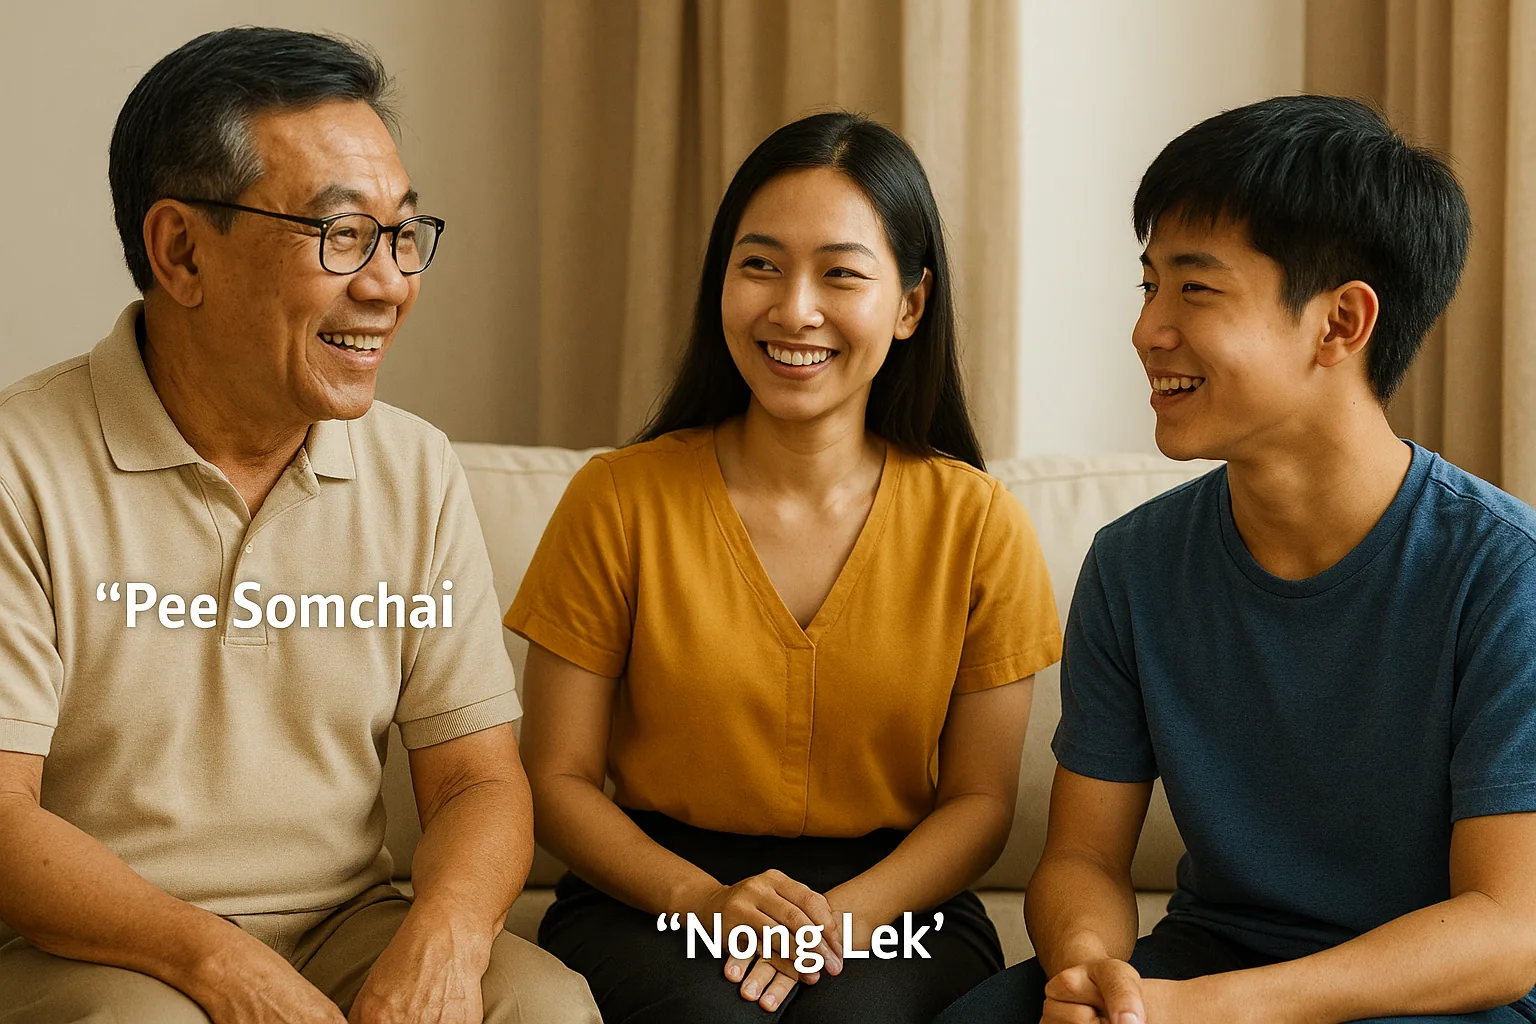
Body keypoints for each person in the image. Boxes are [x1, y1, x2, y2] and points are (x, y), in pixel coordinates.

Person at [0, 27, 597, 1024]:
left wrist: (444, 938)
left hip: (345, 926)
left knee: (545, 1005)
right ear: (181, 250)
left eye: (401, 234)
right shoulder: (22, 465)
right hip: (94, 948)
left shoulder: (415, 468)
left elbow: (476, 784)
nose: (390, 283)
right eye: (340, 234)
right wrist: (220, 966)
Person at [936, 95, 1536, 1024]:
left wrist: (1208, 1012)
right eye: (1149, 287)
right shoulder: (1133, 566)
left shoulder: (1505, 573)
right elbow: (1083, 860)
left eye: (1196, 288)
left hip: (1428, 996)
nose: (1148, 330)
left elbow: (1507, 927)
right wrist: (1097, 977)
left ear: (1341, 323)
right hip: (1202, 965)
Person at [505, 111, 1063, 1024]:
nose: (794, 308)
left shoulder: (980, 523)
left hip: (894, 906)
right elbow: (556, 779)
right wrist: (704, 907)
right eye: (759, 264)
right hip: (658, 897)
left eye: (841, 273)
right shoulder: (617, 499)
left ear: (912, 305)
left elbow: (979, 801)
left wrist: (843, 920)